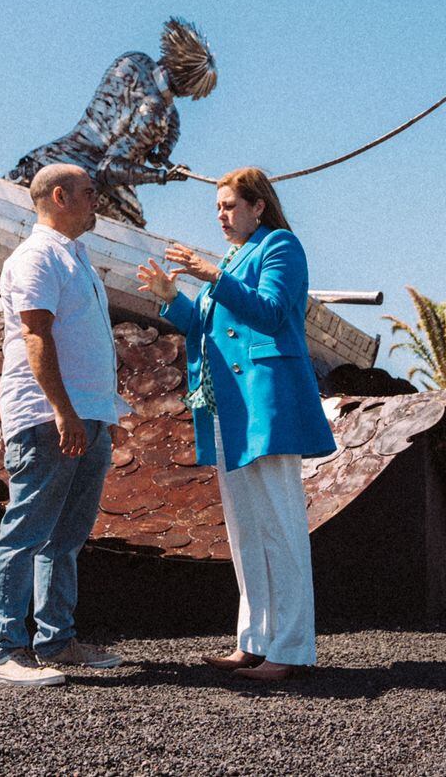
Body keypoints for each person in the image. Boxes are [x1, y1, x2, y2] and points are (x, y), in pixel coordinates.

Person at [135, 167, 336, 683]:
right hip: (229, 404)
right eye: (217, 208)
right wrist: (169, 295)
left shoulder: (281, 246)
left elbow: (270, 312)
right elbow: (202, 324)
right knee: (246, 530)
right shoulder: (230, 257)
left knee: (281, 526)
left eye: (229, 206)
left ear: (258, 206)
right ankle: (254, 640)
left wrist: (210, 275)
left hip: (265, 403)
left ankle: (290, 648)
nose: (221, 216)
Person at [0, 164, 130, 687]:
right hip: (49, 419)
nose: (98, 203)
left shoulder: (77, 257)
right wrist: (64, 412)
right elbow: (35, 337)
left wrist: (103, 414)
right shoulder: (37, 256)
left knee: (65, 537)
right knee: (26, 531)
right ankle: (4, 652)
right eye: (90, 194)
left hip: (86, 417)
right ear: (60, 196)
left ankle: (56, 640)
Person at [8, 17, 217, 228]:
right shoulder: (157, 115)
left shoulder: (134, 61)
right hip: (87, 184)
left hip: (44, 160)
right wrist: (162, 176)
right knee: (133, 228)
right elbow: (108, 169)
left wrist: (159, 153)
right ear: (189, 88)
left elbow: (148, 147)